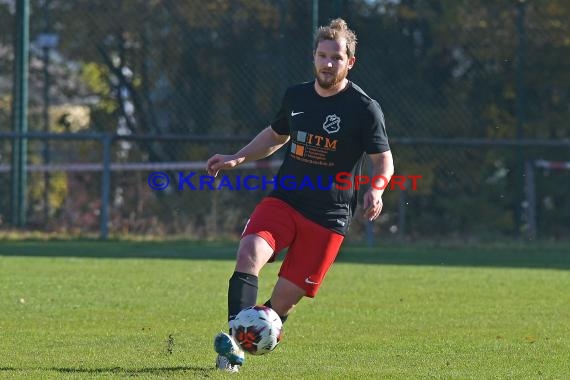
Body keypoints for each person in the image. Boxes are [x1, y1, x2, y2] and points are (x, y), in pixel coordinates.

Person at [206, 18, 394, 372]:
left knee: (282, 304)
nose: (327, 64)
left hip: (329, 217)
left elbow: (383, 160)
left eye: (336, 58)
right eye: (322, 56)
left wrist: (377, 189)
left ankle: (253, 338)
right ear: (314, 58)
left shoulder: (365, 108)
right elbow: (275, 135)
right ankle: (232, 345)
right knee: (249, 251)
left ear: (350, 62)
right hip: (286, 200)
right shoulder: (297, 96)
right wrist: (238, 156)